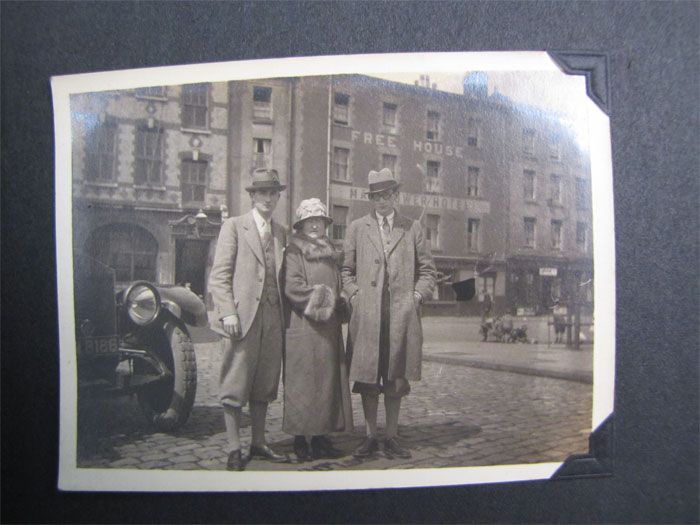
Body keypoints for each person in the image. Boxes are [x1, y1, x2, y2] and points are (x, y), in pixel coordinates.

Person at [341, 168, 436, 460]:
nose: (382, 201)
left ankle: (392, 436)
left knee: (395, 376)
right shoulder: (358, 227)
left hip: (400, 315)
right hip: (368, 315)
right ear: (371, 198)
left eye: (386, 195)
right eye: (376, 196)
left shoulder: (412, 228)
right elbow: (346, 271)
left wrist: (416, 297)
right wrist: (355, 295)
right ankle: (370, 437)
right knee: (368, 377)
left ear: (396, 195)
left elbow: (428, 271)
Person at [208, 168, 290, 471]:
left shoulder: (281, 232)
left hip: (272, 318)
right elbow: (220, 275)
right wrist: (227, 311)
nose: (267, 198)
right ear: (252, 196)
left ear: (278, 196)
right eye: (262, 193)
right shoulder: (234, 226)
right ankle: (233, 447)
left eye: (273, 192)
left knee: (265, 382)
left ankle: (259, 442)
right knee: (235, 381)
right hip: (241, 319)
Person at [282, 198, 353, 461]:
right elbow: (293, 287)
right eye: (309, 221)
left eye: (319, 221)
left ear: (325, 225)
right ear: (301, 225)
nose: (314, 225)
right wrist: (328, 300)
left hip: (329, 329)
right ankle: (301, 440)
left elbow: (338, 282)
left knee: (326, 384)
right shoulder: (294, 251)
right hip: (303, 328)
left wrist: (342, 299)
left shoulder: (332, 252)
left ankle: (322, 438)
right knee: (302, 384)